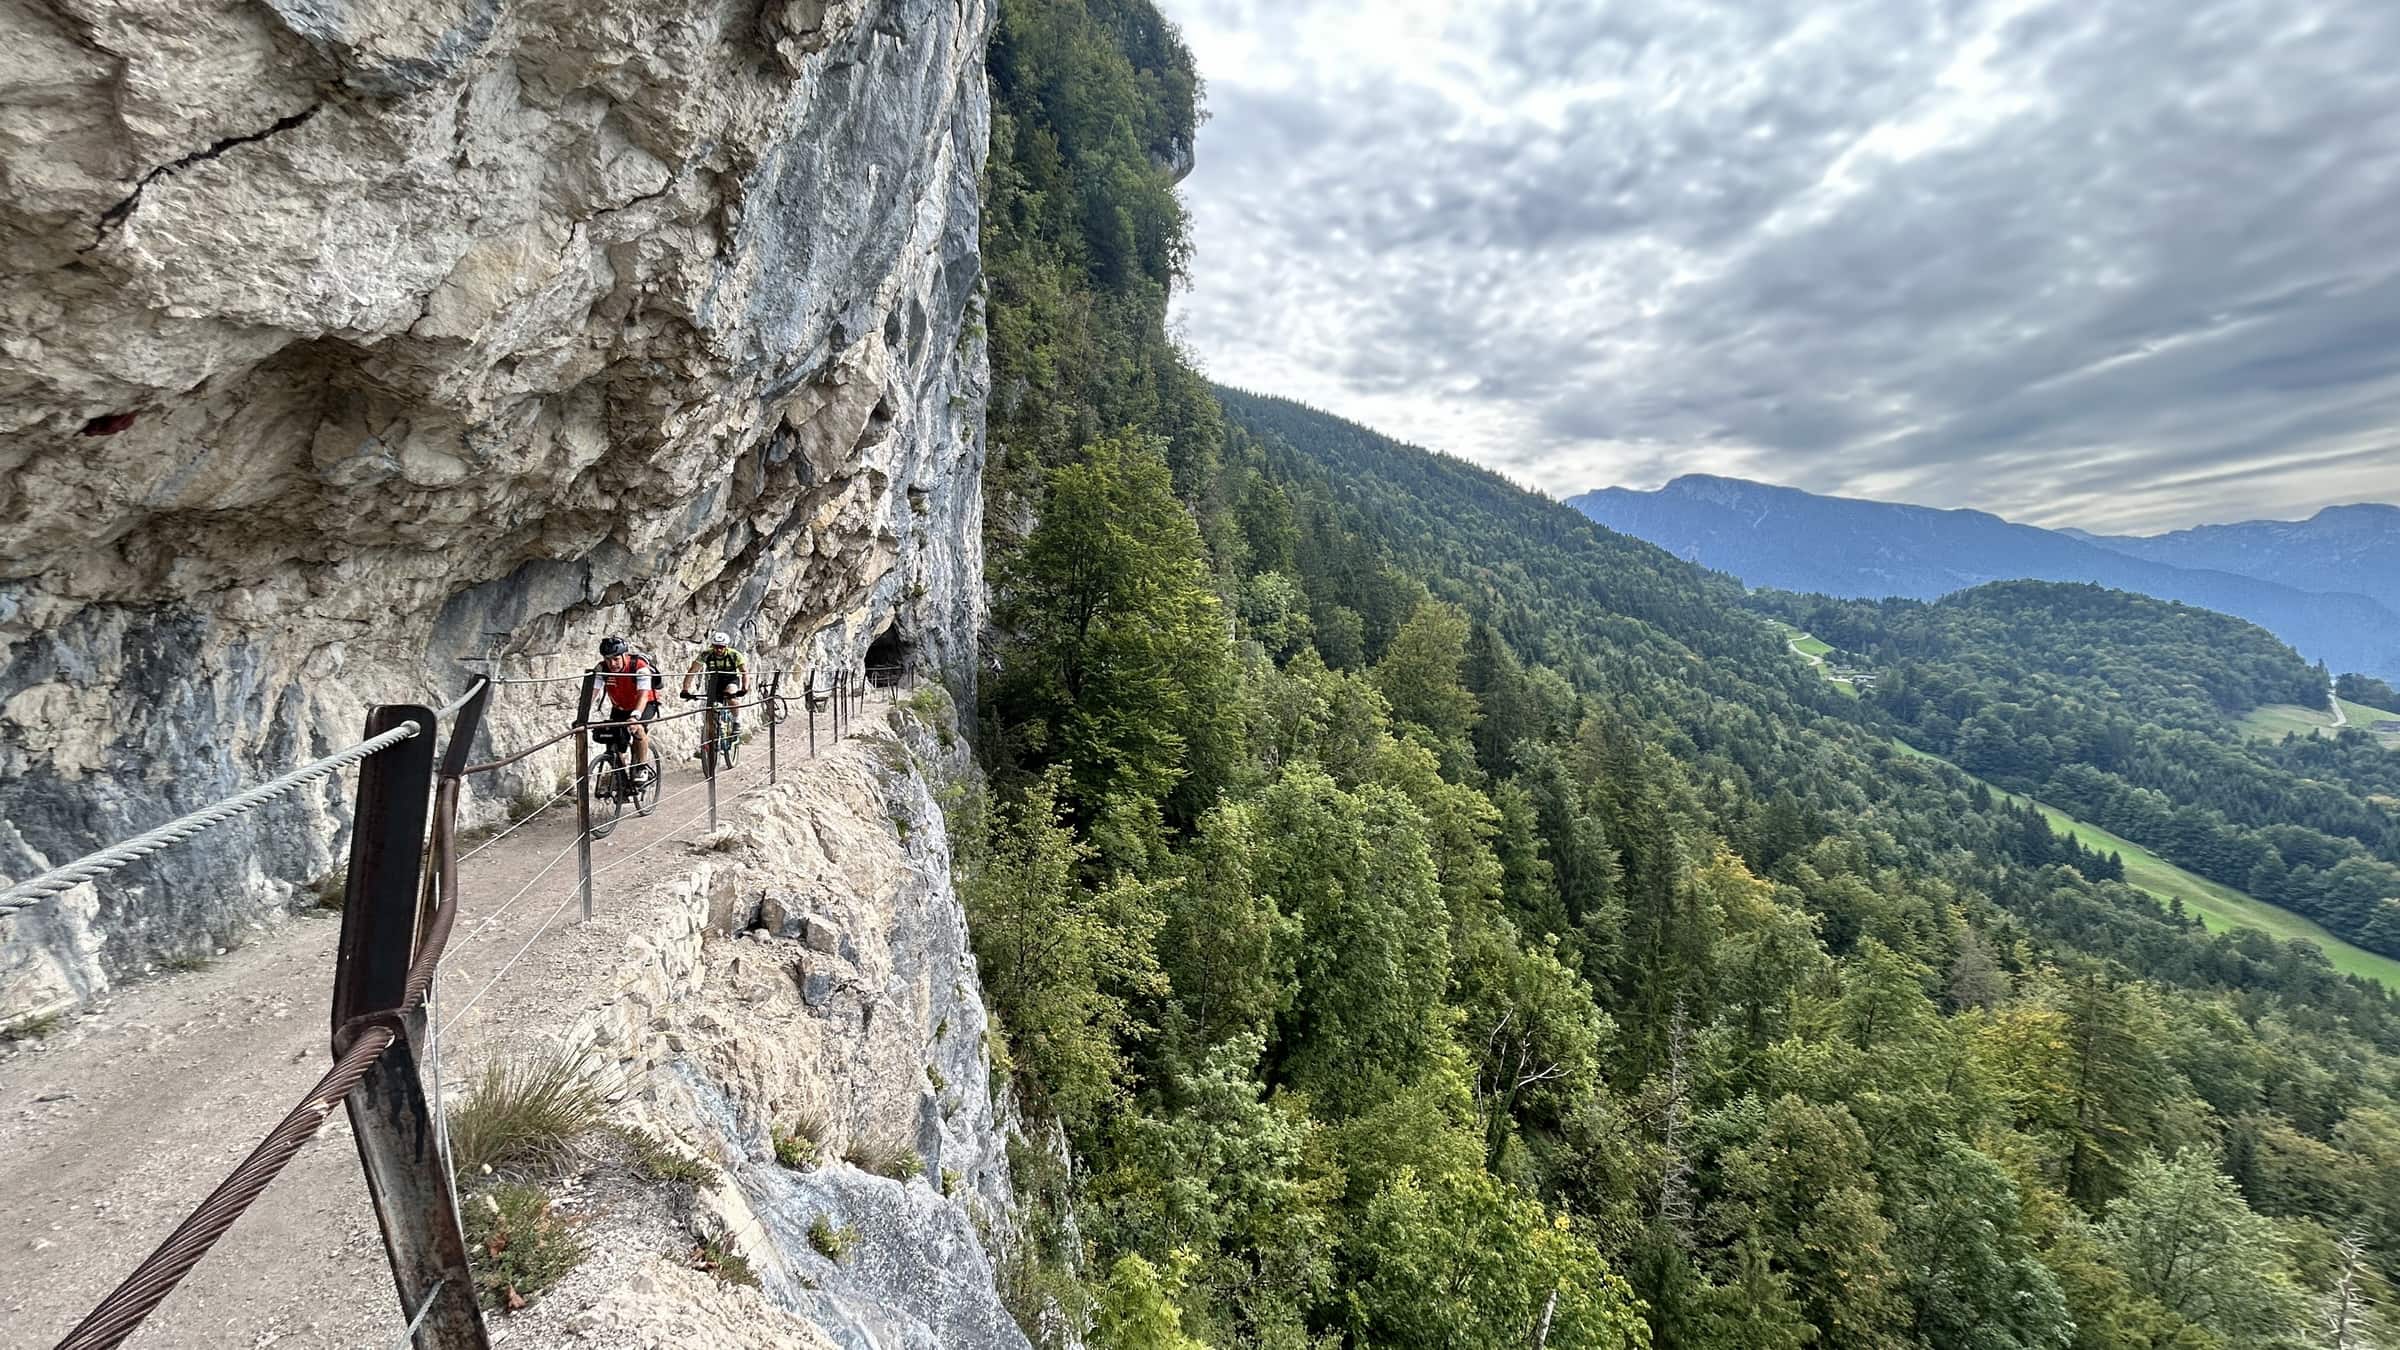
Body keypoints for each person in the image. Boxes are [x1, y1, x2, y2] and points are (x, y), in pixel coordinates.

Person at [590, 636, 663, 780]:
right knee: (612, 738)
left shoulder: (639, 667)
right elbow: (591, 694)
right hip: (620, 706)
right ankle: (620, 779)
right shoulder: (602, 668)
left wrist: (635, 717)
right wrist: (581, 716)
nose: (612, 663)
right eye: (608, 659)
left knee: (637, 729)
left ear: (625, 655)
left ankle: (641, 768)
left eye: (616, 659)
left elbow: (643, 695)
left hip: (645, 703)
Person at [683, 631, 750, 750]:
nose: (719, 650)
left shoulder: (734, 655)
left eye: (721, 647)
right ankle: (710, 739)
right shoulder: (706, 654)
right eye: (716, 647)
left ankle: (736, 721)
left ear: (726, 646)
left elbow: (744, 672)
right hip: (715, 682)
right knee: (710, 710)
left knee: (731, 695)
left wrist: (744, 687)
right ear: (712, 646)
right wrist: (685, 689)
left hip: (731, 680)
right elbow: (693, 670)